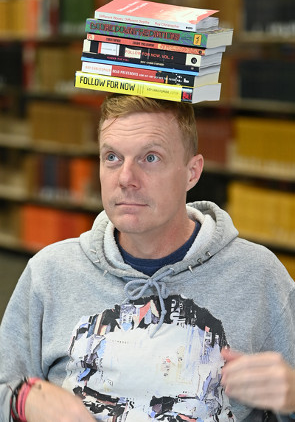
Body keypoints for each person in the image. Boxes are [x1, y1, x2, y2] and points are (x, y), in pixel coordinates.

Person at [0, 93, 295, 422]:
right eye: (112, 157)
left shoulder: (260, 277)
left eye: (150, 158)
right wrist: (21, 402)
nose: (126, 178)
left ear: (192, 173)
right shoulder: (48, 274)